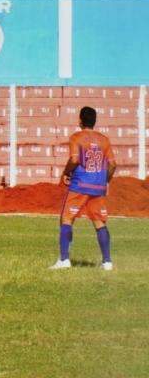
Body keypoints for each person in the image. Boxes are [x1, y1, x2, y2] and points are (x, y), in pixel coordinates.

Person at [50, 106, 116, 270]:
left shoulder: (76, 137)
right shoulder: (104, 139)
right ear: (95, 121)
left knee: (67, 219)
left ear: (80, 120)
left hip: (79, 185)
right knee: (99, 221)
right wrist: (105, 181)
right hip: (98, 187)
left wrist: (65, 173)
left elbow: (74, 159)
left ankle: (64, 260)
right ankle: (107, 262)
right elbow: (113, 164)